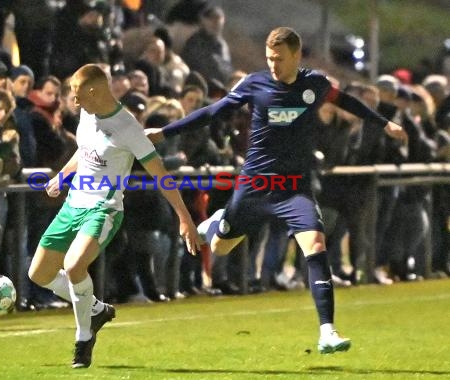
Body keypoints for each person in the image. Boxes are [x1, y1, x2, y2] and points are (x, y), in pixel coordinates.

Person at [146, 27, 408, 354]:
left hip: (294, 188)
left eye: (280, 59)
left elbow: (349, 102)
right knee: (221, 247)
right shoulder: (254, 84)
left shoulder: (315, 84)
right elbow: (214, 112)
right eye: (270, 58)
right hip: (256, 185)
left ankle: (327, 330)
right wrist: (165, 131)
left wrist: (386, 124)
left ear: (297, 56)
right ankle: (218, 221)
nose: (274, 65)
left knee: (315, 245)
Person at [27, 64, 201, 368]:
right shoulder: (86, 114)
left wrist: (184, 218)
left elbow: (161, 175)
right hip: (73, 205)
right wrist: (63, 177)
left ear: (94, 91)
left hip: (102, 209)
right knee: (38, 275)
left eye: (78, 96)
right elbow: (84, 151)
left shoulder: (128, 128)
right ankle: (94, 308)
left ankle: (83, 339)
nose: (75, 103)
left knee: (73, 265)